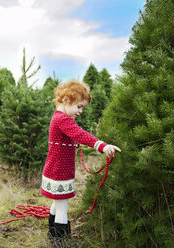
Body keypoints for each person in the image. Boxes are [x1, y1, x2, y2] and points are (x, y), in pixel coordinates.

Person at [41, 80, 121, 243]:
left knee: (57, 204)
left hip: (55, 169)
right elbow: (80, 133)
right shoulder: (63, 119)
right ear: (65, 100)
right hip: (60, 172)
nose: (81, 111)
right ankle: (61, 242)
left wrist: (74, 143)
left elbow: (68, 137)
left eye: (83, 108)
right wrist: (101, 145)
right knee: (63, 207)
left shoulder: (58, 117)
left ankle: (52, 236)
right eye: (79, 106)